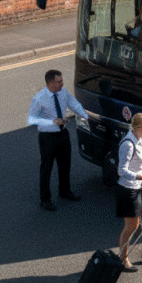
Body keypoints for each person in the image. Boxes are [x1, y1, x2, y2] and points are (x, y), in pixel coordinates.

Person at [27, 69, 87, 211]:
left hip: (62, 134)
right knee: (46, 168)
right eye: (59, 81)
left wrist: (85, 115)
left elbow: (74, 104)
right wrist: (52, 122)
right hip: (47, 137)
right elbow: (31, 119)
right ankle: (45, 199)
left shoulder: (63, 92)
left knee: (65, 164)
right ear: (51, 83)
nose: (62, 83)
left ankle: (65, 191)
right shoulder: (39, 98)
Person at [116, 112, 142, 272]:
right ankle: (122, 258)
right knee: (132, 226)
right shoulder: (127, 144)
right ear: (138, 128)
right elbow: (121, 170)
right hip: (128, 188)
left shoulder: (138, 140)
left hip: (138, 185)